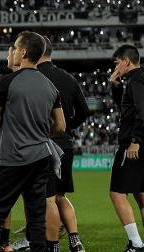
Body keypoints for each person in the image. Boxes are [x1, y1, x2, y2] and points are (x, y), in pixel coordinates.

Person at [0, 31, 66, 252]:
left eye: (16, 48)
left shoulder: (8, 82)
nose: (14, 51)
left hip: (13, 157)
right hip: (41, 156)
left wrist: (13, 125)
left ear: (24, 52)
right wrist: (37, 131)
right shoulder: (50, 86)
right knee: (36, 215)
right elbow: (60, 126)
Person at [37, 36, 89, 252]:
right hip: (65, 143)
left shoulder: (32, 77)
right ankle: (75, 240)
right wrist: (67, 127)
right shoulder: (67, 78)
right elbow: (84, 111)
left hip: (41, 144)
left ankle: (53, 245)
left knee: (47, 199)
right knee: (60, 196)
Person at [108, 44, 144, 252]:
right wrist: (115, 86)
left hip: (136, 145)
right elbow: (128, 108)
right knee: (143, 198)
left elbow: (142, 111)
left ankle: (136, 244)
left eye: (117, 62)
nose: (116, 66)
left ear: (126, 61)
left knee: (117, 193)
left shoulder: (137, 80)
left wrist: (135, 140)